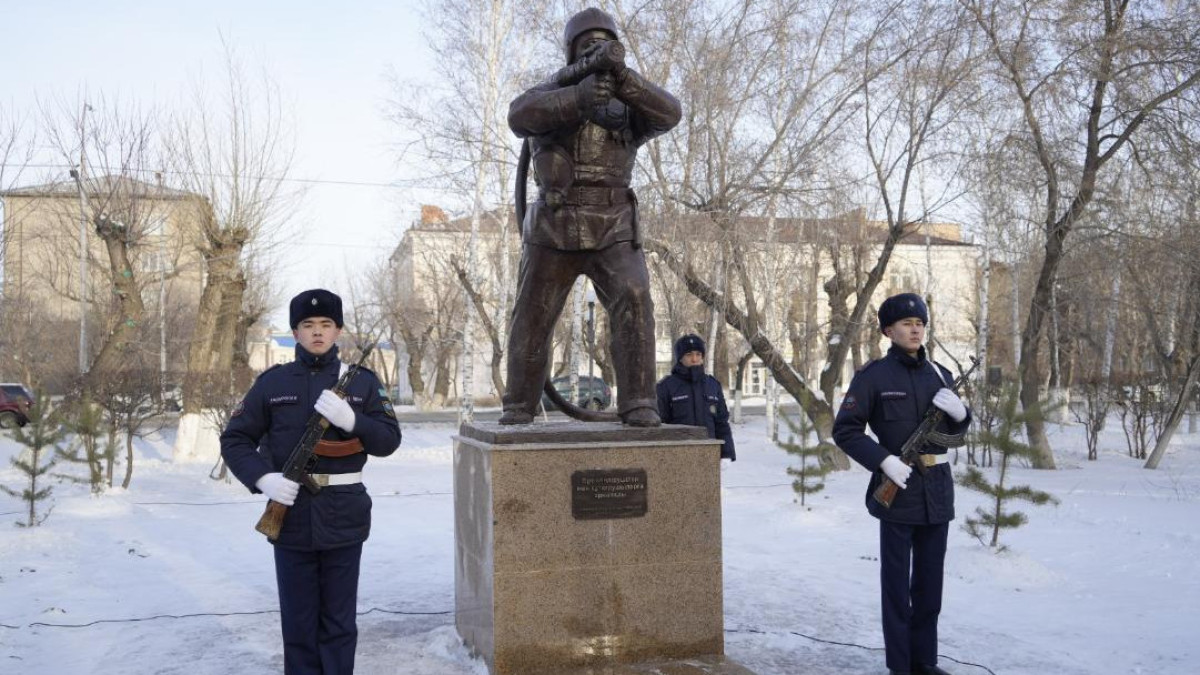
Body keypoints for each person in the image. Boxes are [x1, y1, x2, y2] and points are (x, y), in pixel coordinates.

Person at [500, 6, 681, 427]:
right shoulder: (548, 96)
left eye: (604, 44)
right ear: (571, 54)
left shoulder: (628, 104)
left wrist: (625, 80)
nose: (596, 51)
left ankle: (638, 401)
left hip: (615, 222)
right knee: (534, 312)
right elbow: (518, 116)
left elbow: (670, 113)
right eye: (587, 46)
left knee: (634, 297)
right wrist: (577, 97)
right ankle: (519, 403)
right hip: (554, 224)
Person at [220, 289, 401, 675]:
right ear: (296, 332)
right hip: (291, 515)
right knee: (298, 626)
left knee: (339, 624)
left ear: (337, 330)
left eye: (325, 325)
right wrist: (263, 479)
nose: (317, 332)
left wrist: (353, 420)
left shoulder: (362, 383)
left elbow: (388, 440)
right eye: (308, 325)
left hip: (344, 516)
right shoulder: (272, 383)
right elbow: (234, 439)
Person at [832, 293, 971, 675]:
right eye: (907, 324)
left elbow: (954, 432)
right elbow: (845, 430)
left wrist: (962, 416)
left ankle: (924, 662)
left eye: (921, 324)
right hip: (897, 489)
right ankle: (901, 666)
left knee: (929, 588)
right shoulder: (873, 377)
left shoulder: (940, 374)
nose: (915, 330)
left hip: (937, 491)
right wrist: (884, 461)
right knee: (896, 589)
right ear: (888, 330)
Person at [656, 334, 735, 460]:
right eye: (689, 355)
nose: (694, 359)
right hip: (678, 455)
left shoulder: (712, 385)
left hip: (709, 454)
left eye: (698, 354)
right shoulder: (666, 386)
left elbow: (721, 423)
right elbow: (661, 425)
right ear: (680, 358)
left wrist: (726, 453)